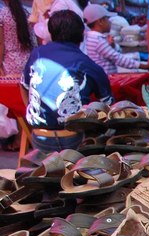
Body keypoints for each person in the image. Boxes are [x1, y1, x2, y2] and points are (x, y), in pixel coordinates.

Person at [21, 9, 111, 151]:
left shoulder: (37, 54)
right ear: (82, 35)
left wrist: (33, 111)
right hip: (75, 138)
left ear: (51, 33)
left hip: (40, 136)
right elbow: (108, 106)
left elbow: (23, 86)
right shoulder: (88, 64)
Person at [84, 4, 149, 74]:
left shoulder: (90, 38)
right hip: (108, 78)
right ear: (100, 22)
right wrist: (144, 66)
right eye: (107, 19)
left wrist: (112, 46)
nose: (110, 22)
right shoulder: (98, 41)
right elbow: (118, 59)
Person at [0, 0, 33, 76]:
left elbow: (0, 43)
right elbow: (32, 40)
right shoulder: (25, 13)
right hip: (27, 61)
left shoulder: (2, 14)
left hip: (9, 63)